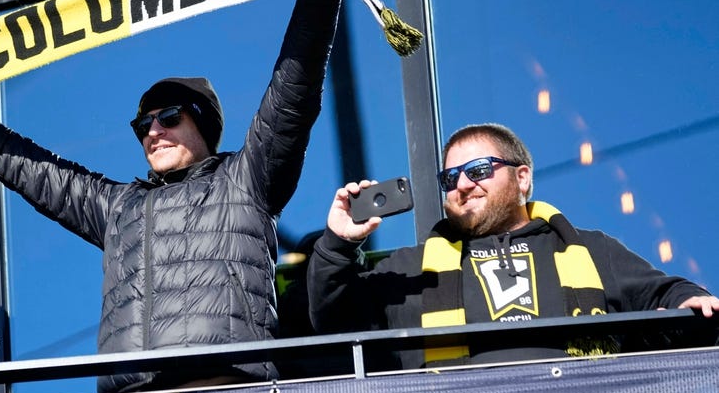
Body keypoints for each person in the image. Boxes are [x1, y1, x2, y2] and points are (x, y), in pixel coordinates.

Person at [0, 0, 344, 393]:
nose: (153, 130)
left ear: (203, 125)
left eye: (168, 117)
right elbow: (25, 165)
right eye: (143, 125)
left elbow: (293, 90)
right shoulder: (120, 207)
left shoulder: (246, 179)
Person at [308, 122, 719, 370]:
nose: (463, 185)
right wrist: (338, 244)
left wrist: (690, 302)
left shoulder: (592, 251)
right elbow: (334, 318)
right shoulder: (415, 269)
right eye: (450, 179)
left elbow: (665, 295)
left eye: (479, 170)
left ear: (522, 178)